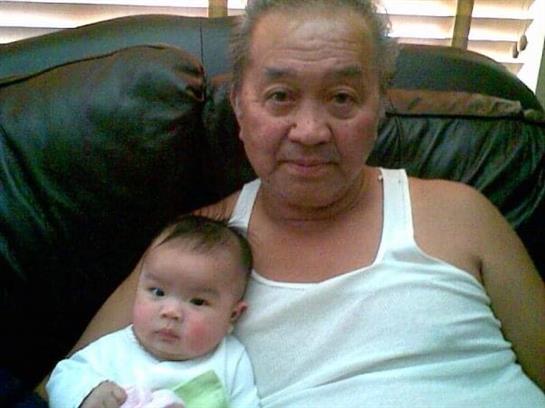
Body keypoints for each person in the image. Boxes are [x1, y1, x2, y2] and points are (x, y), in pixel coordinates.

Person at [46, 0, 545, 407]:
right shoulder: (194, 248)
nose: (309, 131)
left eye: (342, 97)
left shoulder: (460, 215)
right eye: (280, 96)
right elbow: (67, 384)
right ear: (239, 107)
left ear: (378, 107)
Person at [45, 215, 260, 408]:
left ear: (232, 316)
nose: (171, 312)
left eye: (197, 301)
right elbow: (63, 376)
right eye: (158, 292)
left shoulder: (231, 360)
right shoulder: (115, 349)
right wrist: (88, 394)